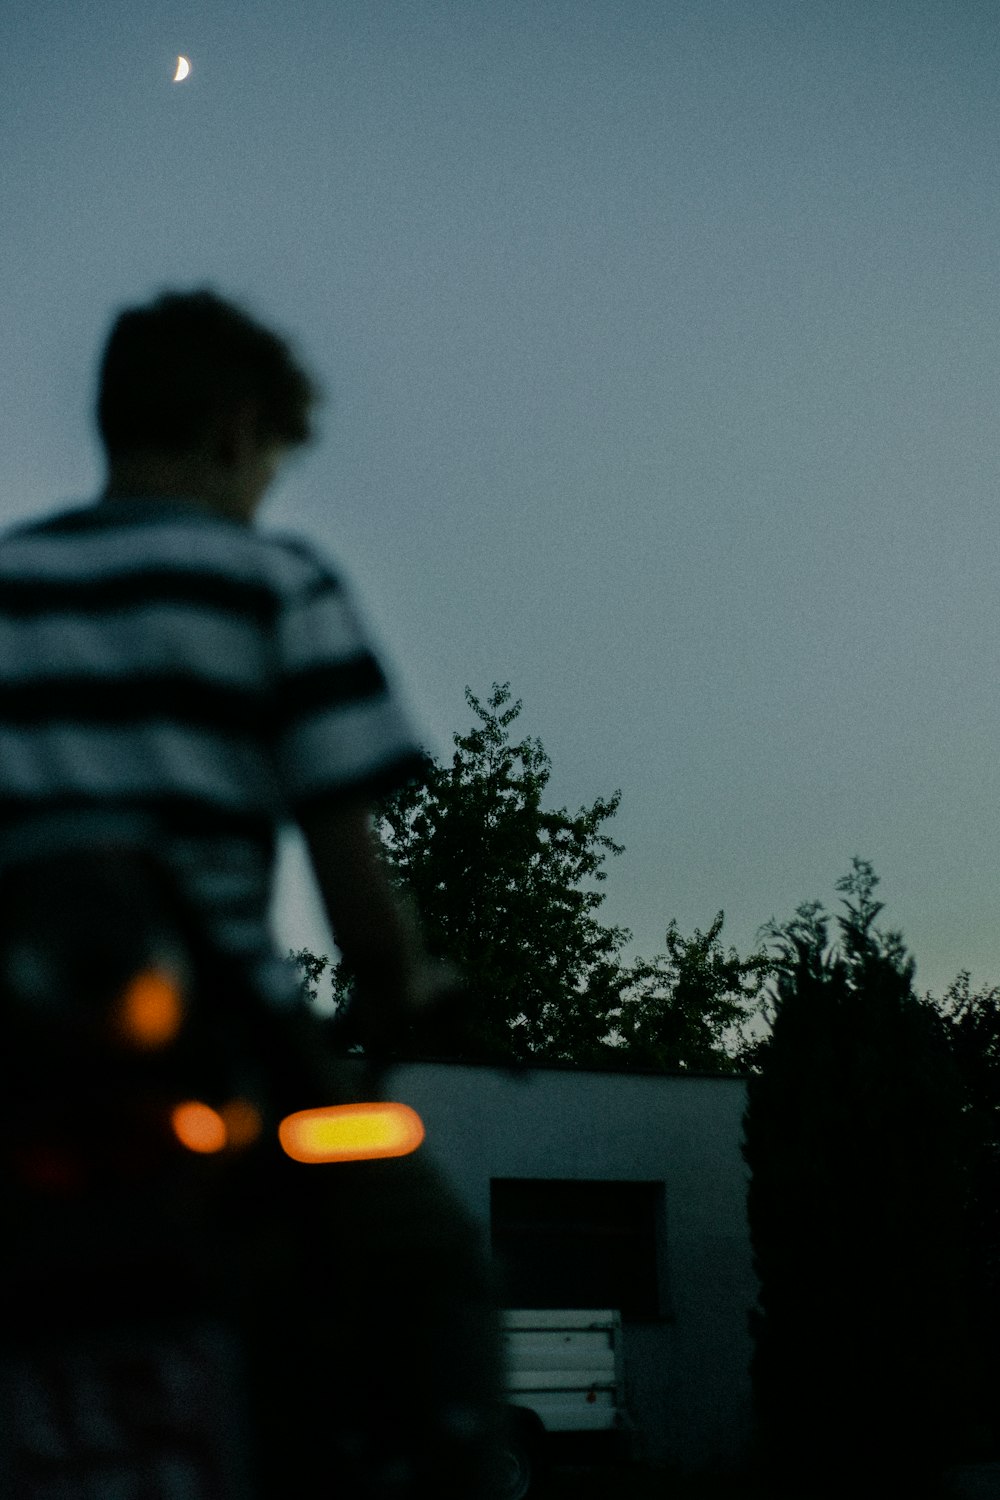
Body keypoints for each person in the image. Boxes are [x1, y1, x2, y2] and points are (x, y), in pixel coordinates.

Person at [0, 288, 506, 1498]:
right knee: (429, 1266)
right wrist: (415, 992)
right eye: (269, 463)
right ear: (236, 431)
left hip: (11, 1079)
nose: (264, 493)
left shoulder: (10, 587)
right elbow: (363, 914)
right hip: (219, 1074)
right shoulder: (272, 584)